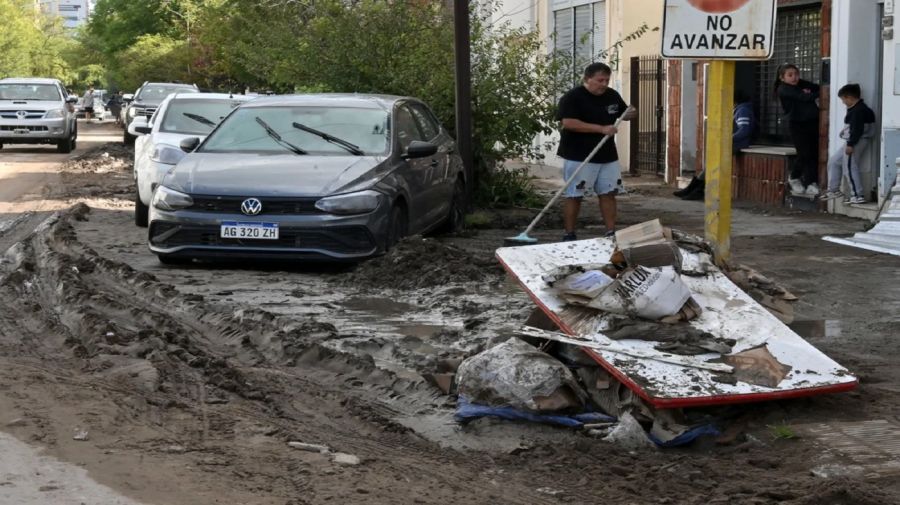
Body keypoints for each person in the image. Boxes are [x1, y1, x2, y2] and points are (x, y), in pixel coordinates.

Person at [556, 62, 636, 241]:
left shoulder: (611, 95)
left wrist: (631, 113)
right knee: (575, 194)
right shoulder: (573, 97)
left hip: (607, 155)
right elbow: (568, 122)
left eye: (607, 80)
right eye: (600, 80)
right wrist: (601, 129)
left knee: (608, 192)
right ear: (587, 79)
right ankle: (569, 233)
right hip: (579, 154)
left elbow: (624, 113)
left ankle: (610, 232)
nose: (604, 84)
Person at [675, 89, 755, 201]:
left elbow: (744, 130)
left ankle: (698, 190)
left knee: (713, 165)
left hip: (736, 144)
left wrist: (729, 138)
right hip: (732, 143)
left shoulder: (743, 110)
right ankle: (694, 188)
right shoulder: (738, 109)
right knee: (711, 164)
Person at [820, 84, 876, 204]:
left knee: (850, 167)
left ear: (849, 97)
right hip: (854, 140)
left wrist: (851, 144)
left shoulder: (857, 111)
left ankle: (857, 195)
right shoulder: (861, 109)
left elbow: (857, 129)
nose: (843, 102)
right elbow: (856, 127)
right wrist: (845, 132)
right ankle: (833, 189)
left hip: (855, 142)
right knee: (834, 161)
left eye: (843, 99)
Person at [775, 63, 820, 196]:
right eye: (790, 75)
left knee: (813, 153)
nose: (794, 78)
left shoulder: (800, 84)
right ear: (782, 78)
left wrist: (811, 91)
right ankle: (794, 177)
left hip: (812, 122)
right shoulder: (783, 89)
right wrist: (810, 93)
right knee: (804, 153)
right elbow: (804, 97)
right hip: (797, 125)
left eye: (796, 74)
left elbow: (817, 88)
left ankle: (812, 183)